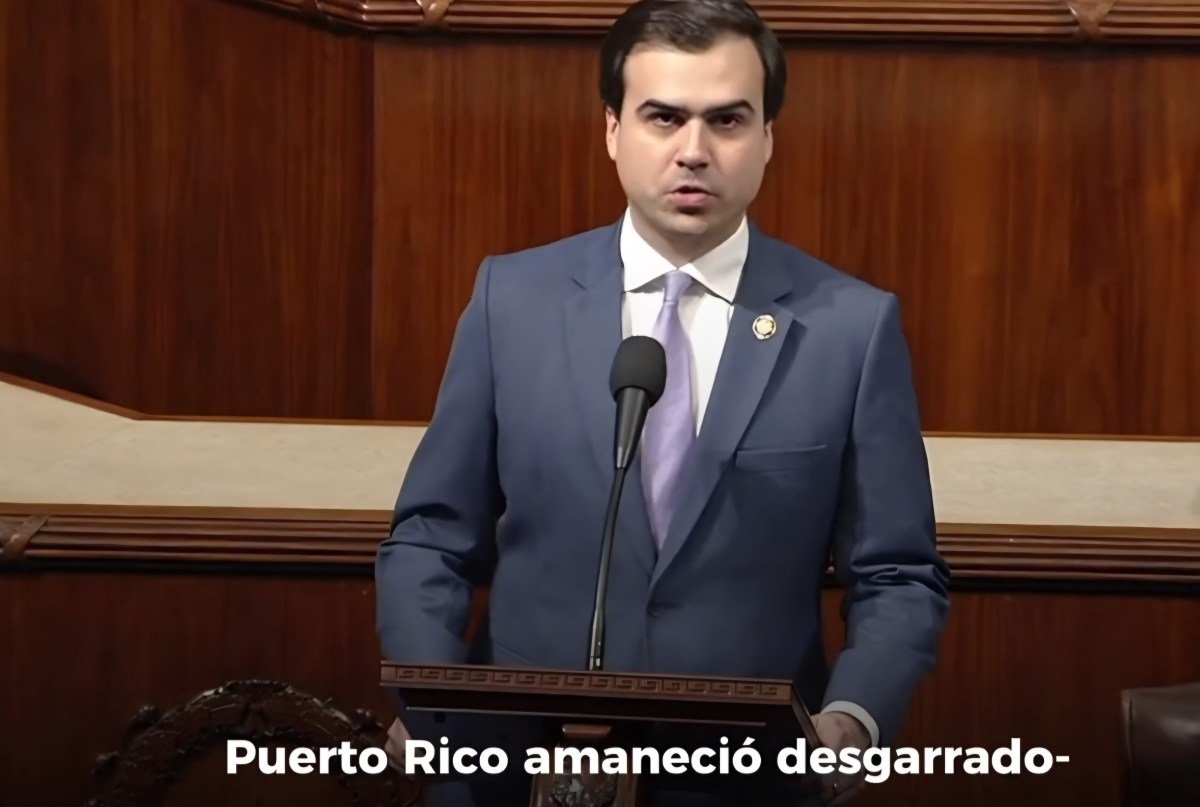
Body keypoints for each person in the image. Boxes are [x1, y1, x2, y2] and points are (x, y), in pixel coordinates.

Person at [376, 0, 950, 804]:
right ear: (612, 130)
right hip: (511, 773)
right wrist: (431, 705)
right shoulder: (514, 298)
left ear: (768, 139)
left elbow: (896, 571)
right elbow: (433, 537)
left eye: (727, 120)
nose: (694, 151)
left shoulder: (849, 327)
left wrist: (851, 722)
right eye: (662, 117)